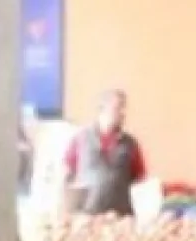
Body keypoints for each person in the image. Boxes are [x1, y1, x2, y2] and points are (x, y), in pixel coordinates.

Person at [62, 89, 147, 217]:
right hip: (87, 218)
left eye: (124, 108)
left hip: (120, 219)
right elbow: (66, 175)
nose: (123, 113)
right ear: (103, 108)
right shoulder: (81, 139)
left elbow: (140, 179)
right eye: (118, 107)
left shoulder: (130, 144)